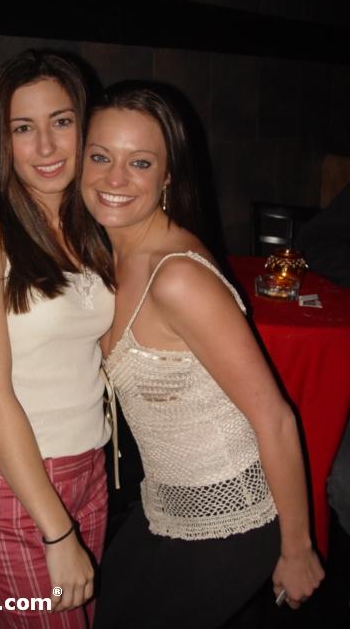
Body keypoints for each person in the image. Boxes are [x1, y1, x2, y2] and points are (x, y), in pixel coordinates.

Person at [78, 81, 325, 628]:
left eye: (140, 162)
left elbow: (276, 417)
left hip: (237, 519)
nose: (114, 179)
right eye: (100, 156)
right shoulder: (107, 257)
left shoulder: (177, 277)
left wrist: (298, 548)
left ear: (168, 176)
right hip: (164, 504)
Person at [0, 49, 116, 629]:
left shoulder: (95, 230)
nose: (45, 146)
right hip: (13, 487)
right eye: (22, 128)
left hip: (89, 473)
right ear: (2, 140)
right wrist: (57, 532)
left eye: (61, 122)